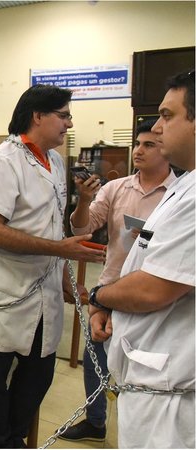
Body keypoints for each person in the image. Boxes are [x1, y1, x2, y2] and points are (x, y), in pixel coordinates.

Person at [0, 84, 105, 448]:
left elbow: (54, 224)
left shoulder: (54, 161)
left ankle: (13, 436)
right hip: (5, 288)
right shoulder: (2, 161)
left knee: (39, 372)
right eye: (64, 115)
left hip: (43, 288)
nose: (69, 124)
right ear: (37, 116)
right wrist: (60, 248)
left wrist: (61, 272)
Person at [89, 71, 195, 448]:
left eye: (168, 116)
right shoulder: (185, 185)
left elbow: (153, 289)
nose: (158, 128)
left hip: (173, 394)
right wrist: (111, 302)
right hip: (150, 374)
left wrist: (99, 297)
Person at [60, 119, 176, 442]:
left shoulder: (179, 195)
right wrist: (83, 200)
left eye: (149, 145)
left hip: (152, 291)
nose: (139, 150)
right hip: (109, 289)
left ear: (166, 149)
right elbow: (82, 230)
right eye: (137, 144)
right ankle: (96, 422)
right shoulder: (116, 188)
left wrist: (153, 239)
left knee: (143, 365)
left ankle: (139, 430)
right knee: (95, 356)